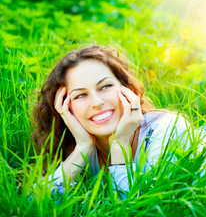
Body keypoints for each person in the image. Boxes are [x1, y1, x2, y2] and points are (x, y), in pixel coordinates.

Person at [32, 45, 190, 194]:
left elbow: (140, 208)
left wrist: (119, 144)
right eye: (80, 95)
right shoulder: (74, 147)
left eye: (105, 86)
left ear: (127, 89)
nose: (97, 102)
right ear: (65, 106)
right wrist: (82, 147)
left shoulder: (168, 129)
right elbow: (33, 206)